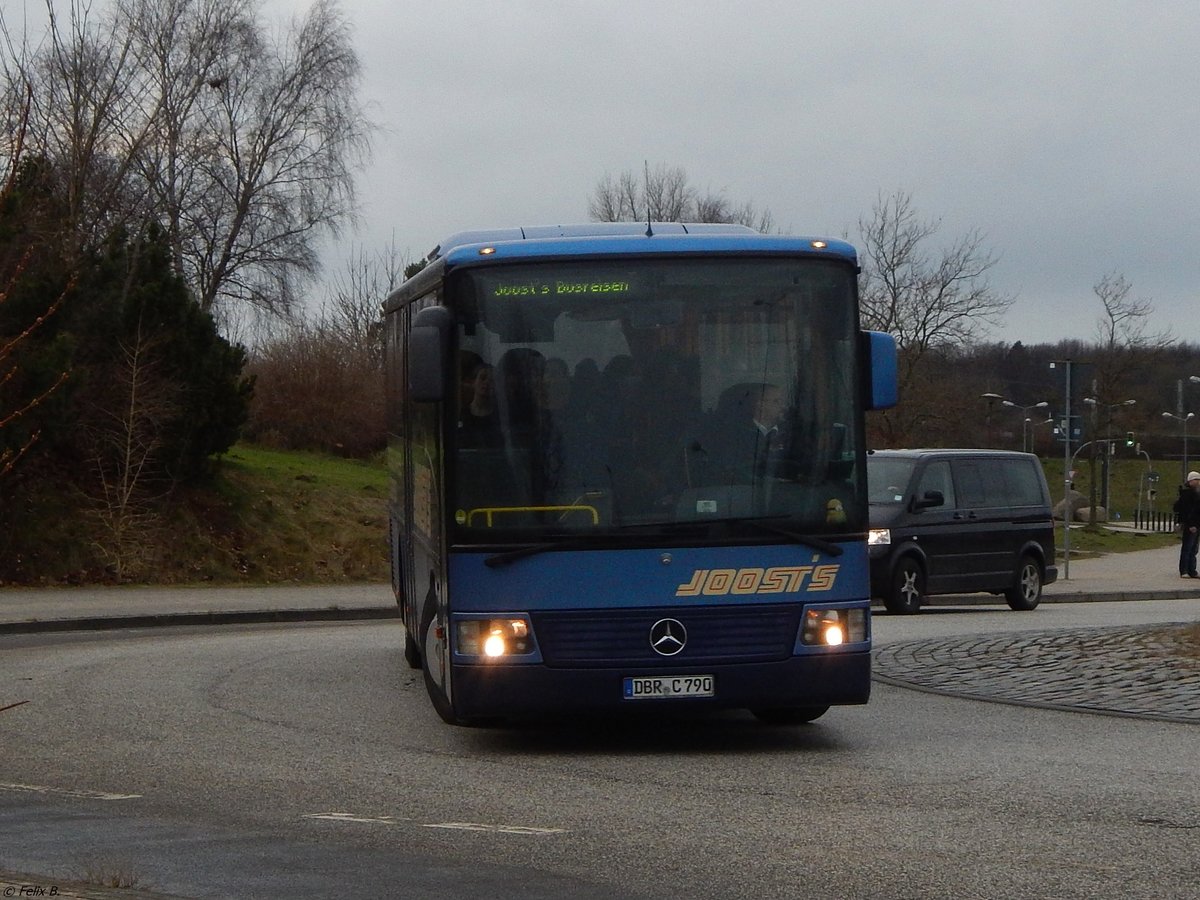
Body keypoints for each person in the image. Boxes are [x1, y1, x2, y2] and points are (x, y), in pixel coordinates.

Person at [1173, 471, 1200, 578]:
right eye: (1196, 480)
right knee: (1187, 547)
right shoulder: (1187, 495)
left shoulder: (1196, 493)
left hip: (1197, 524)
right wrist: (1190, 524)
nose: (1198, 482)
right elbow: (1187, 511)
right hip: (1191, 524)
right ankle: (1184, 570)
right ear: (1190, 481)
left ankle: (1192, 570)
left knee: (1194, 549)